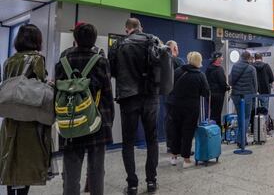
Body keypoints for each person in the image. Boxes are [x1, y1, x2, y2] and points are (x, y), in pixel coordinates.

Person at [55, 23, 114, 195]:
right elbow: (107, 94)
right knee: (96, 171)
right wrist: (108, 122)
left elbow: (57, 93)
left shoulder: (63, 60)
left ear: (75, 39)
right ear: (94, 40)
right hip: (96, 121)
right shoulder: (101, 61)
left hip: (70, 121)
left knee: (71, 172)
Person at [108, 17, 160, 195]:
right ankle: (151, 181)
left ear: (126, 29)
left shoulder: (119, 44)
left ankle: (132, 184)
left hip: (128, 97)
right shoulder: (152, 40)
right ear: (140, 28)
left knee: (128, 142)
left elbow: (112, 71)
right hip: (151, 96)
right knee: (152, 139)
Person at [0, 24, 52, 195]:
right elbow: (39, 88)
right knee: (26, 167)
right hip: (29, 121)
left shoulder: (9, 60)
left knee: (11, 163)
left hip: (10, 120)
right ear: (37, 40)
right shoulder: (37, 59)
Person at [167, 52, 210, 168]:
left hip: (175, 105)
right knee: (188, 132)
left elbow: (169, 86)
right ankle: (186, 159)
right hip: (191, 108)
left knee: (175, 130)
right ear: (199, 61)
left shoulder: (178, 71)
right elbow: (206, 92)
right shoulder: (200, 75)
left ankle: (174, 157)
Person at [229, 51, 258, 147]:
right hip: (247, 96)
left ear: (241, 57)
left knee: (240, 116)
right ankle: (241, 140)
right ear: (249, 58)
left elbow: (230, 81)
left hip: (236, 95)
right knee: (246, 117)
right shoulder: (251, 68)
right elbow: (255, 84)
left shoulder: (234, 66)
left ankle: (242, 139)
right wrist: (254, 94)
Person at [164, 40, 185, 153]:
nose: (177, 48)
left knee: (168, 120)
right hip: (178, 96)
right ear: (174, 49)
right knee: (178, 122)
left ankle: (170, 145)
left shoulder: (162, 60)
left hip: (166, 95)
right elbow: (186, 76)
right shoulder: (178, 61)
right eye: (176, 46)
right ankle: (179, 147)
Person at [250, 53, 274, 133]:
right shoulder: (266, 66)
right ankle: (264, 129)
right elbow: (272, 78)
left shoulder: (251, 66)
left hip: (253, 91)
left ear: (254, 58)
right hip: (265, 91)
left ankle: (254, 129)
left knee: (253, 110)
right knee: (265, 110)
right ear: (262, 58)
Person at [205, 51, 230, 128]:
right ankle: (217, 131)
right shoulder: (219, 69)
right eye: (222, 57)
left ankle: (212, 130)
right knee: (217, 113)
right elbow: (222, 82)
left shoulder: (208, 68)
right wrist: (228, 87)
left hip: (210, 94)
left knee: (212, 113)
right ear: (217, 58)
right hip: (218, 95)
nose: (222, 59)